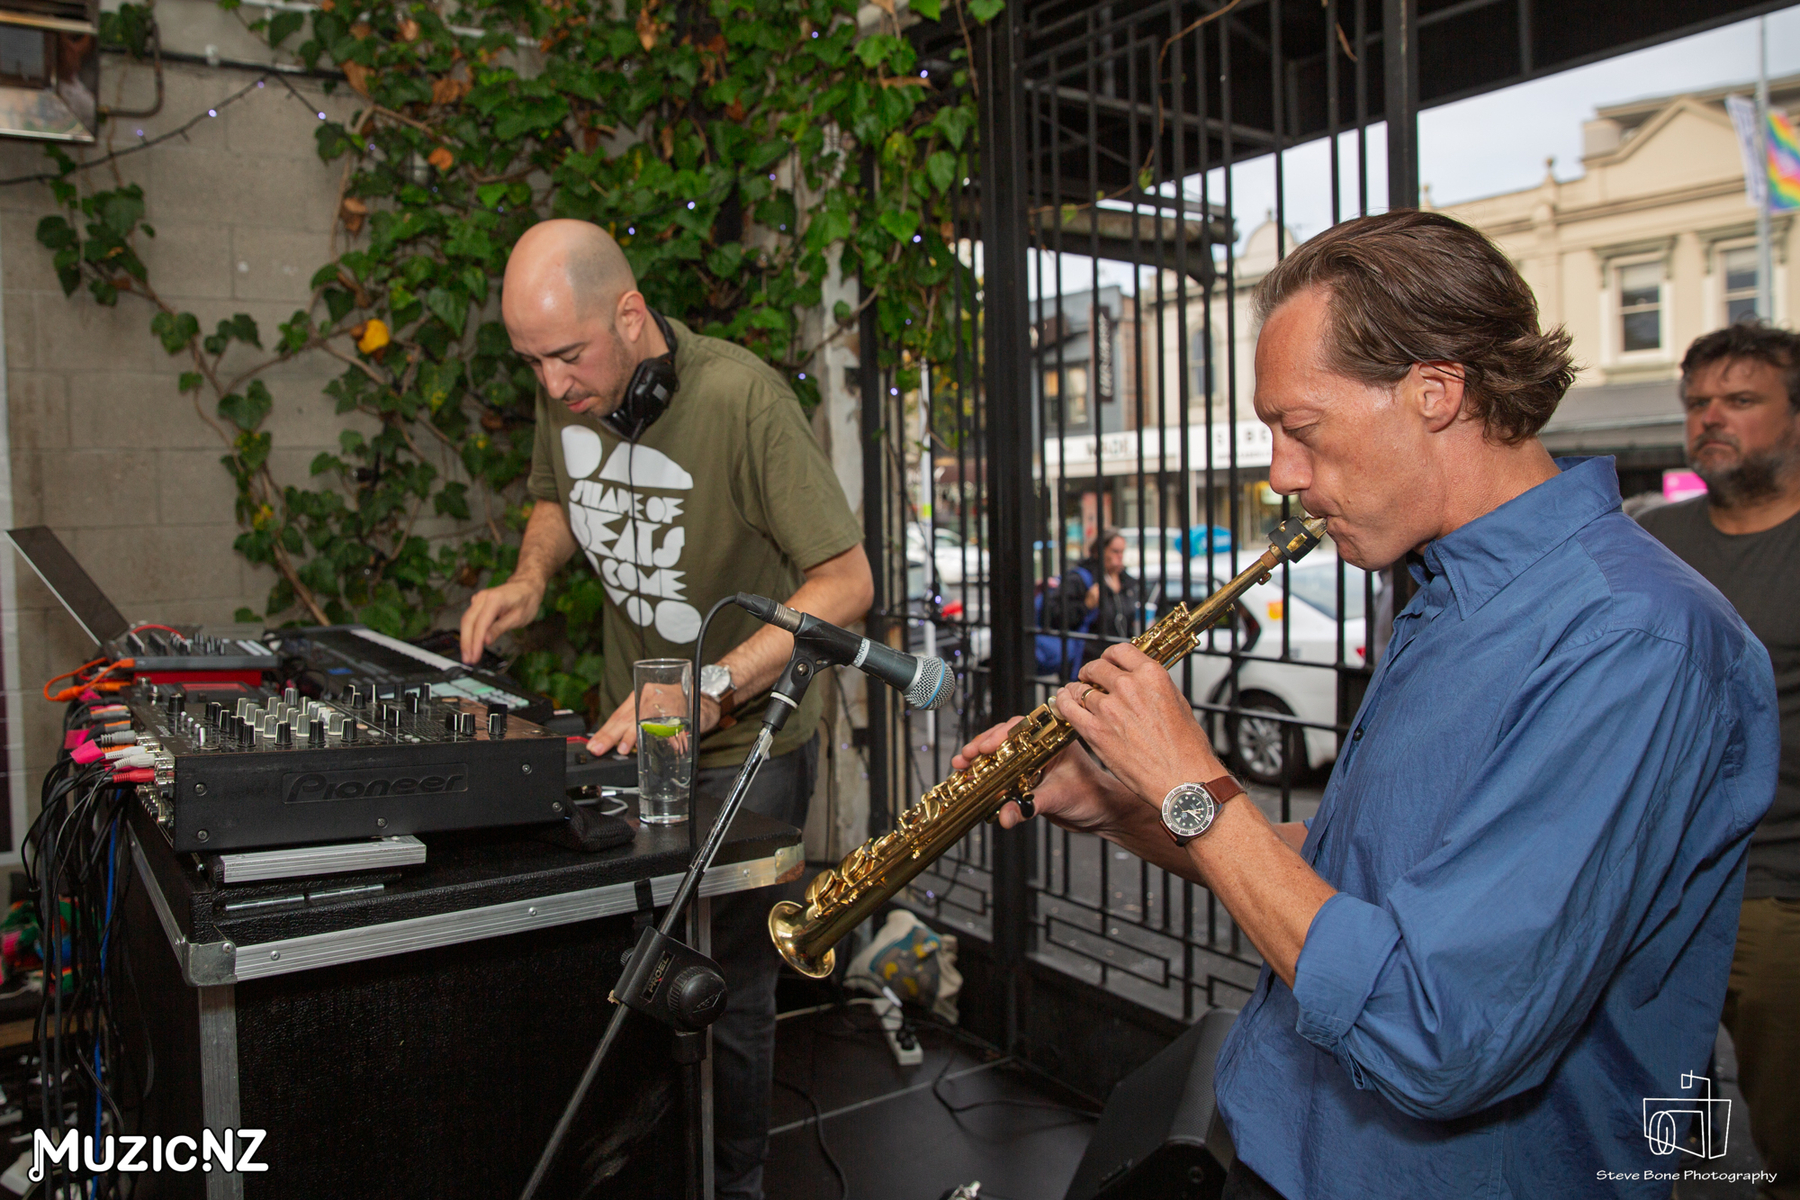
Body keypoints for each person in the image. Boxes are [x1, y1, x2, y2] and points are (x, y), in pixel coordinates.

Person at [954, 211, 1778, 1199]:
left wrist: (1188, 781)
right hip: (1276, 1150)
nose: (1281, 474)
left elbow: (1439, 1031)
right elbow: (1348, 881)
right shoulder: (1446, 591)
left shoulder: (1634, 637)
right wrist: (1121, 805)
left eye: (1301, 429)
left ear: (1436, 391)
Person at [459, 219, 872, 1199]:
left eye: (567, 355)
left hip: (748, 743)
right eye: (531, 362)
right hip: (638, 736)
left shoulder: (743, 401)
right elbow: (557, 496)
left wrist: (715, 684)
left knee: (728, 986)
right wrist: (530, 577)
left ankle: (735, 1185)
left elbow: (847, 583)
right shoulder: (567, 389)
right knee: (643, 969)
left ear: (631, 315)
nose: (552, 383)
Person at [1639, 323, 1800, 1200]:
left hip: (1780, 894)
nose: (1710, 418)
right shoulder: (1652, 538)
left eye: (1740, 400)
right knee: (1658, 1130)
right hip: (1660, 888)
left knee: (1786, 1138)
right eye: (1697, 402)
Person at [1052, 528, 1143, 668]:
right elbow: (1056, 617)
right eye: (1115, 551)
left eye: (1122, 552)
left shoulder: (1127, 582)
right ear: (1098, 551)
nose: (1120, 556)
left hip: (1121, 660)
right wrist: (1086, 605)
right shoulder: (1081, 579)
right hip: (1089, 660)